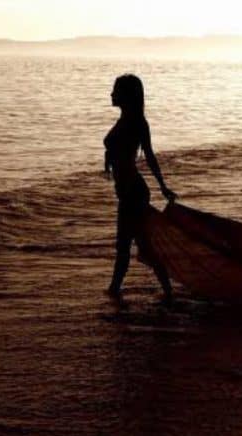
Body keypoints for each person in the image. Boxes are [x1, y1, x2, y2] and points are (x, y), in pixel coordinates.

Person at [103, 74, 176, 302]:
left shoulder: (137, 122)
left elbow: (150, 157)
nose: (112, 94)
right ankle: (166, 291)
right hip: (128, 191)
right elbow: (115, 150)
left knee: (128, 245)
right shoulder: (124, 120)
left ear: (127, 95)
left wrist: (163, 187)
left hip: (133, 192)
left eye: (116, 90)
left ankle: (115, 291)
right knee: (140, 245)